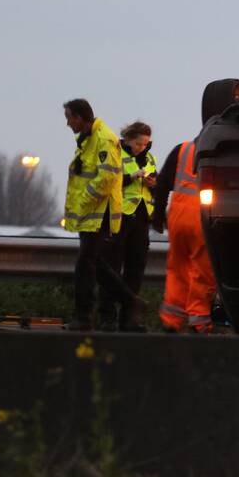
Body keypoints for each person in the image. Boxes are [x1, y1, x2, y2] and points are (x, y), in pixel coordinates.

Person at [152, 79, 239, 333]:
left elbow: (162, 184)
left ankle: (171, 320)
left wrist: (156, 215)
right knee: (202, 272)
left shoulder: (182, 150)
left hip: (177, 217)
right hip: (202, 218)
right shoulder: (223, 153)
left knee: (177, 268)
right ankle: (199, 321)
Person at [62, 99, 123, 331]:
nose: (68, 123)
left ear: (79, 117)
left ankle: (84, 317)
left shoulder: (103, 139)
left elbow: (106, 179)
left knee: (85, 263)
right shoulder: (88, 139)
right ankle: (130, 301)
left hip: (98, 212)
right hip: (91, 213)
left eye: (69, 118)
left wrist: (84, 201)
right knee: (94, 263)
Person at [105, 121, 157, 332]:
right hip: (121, 217)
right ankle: (107, 318)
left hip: (142, 218)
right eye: (138, 143)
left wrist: (155, 183)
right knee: (112, 268)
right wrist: (131, 177)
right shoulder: (116, 153)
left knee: (136, 269)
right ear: (128, 138)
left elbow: (157, 184)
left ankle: (129, 319)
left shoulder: (150, 157)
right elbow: (108, 181)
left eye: (145, 144)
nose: (141, 147)